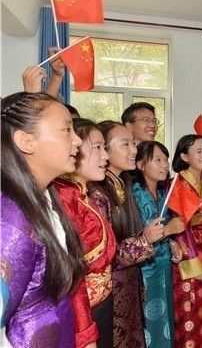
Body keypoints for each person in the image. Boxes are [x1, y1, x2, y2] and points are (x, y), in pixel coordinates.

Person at [1, 92, 86, 346]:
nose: (78, 140)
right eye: (66, 130)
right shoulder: (11, 218)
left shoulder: (45, 196)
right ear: (26, 142)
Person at [88, 121, 165, 347]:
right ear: (105, 150)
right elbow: (104, 255)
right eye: (125, 144)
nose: (133, 150)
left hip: (128, 283)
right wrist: (145, 239)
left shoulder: (122, 185)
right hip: (110, 290)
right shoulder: (97, 193)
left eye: (133, 143)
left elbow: (122, 235)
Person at [54, 118, 116, 348]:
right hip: (82, 310)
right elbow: (71, 275)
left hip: (99, 302)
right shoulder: (64, 197)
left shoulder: (80, 193)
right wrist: (84, 331)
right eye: (97, 148)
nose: (106, 157)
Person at [132, 141, 183, 347]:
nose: (164, 165)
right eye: (157, 160)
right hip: (144, 268)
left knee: (166, 318)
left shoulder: (163, 192)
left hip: (163, 265)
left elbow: (165, 230)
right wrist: (169, 230)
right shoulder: (133, 194)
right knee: (149, 321)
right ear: (140, 165)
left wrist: (172, 243)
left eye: (166, 160)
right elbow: (137, 235)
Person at [171, 134, 202, 348]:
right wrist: (195, 264)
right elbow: (180, 229)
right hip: (190, 256)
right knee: (189, 310)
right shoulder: (178, 184)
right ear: (184, 157)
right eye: (199, 151)